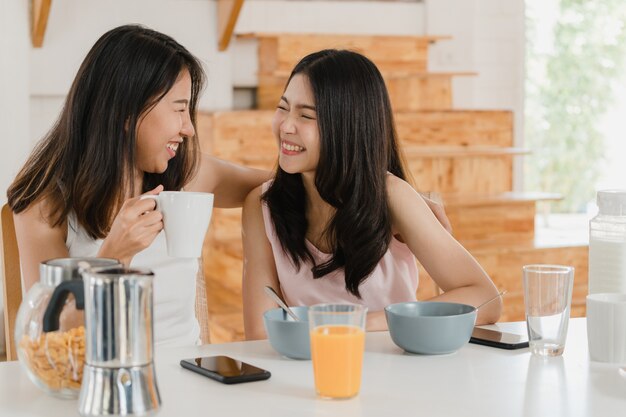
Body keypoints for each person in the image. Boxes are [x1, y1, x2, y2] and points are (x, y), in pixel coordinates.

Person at [7, 25, 269, 347]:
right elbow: (52, 339)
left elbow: (282, 187)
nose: (188, 128)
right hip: (97, 383)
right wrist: (114, 257)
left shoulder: (187, 172)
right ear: (127, 112)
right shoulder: (44, 205)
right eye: (179, 108)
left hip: (192, 380)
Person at [241, 49, 502, 340]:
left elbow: (486, 298)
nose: (286, 126)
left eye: (305, 115)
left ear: (347, 126)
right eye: (283, 108)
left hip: (394, 369)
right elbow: (259, 333)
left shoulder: (392, 198)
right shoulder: (262, 206)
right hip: (308, 372)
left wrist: (356, 325)